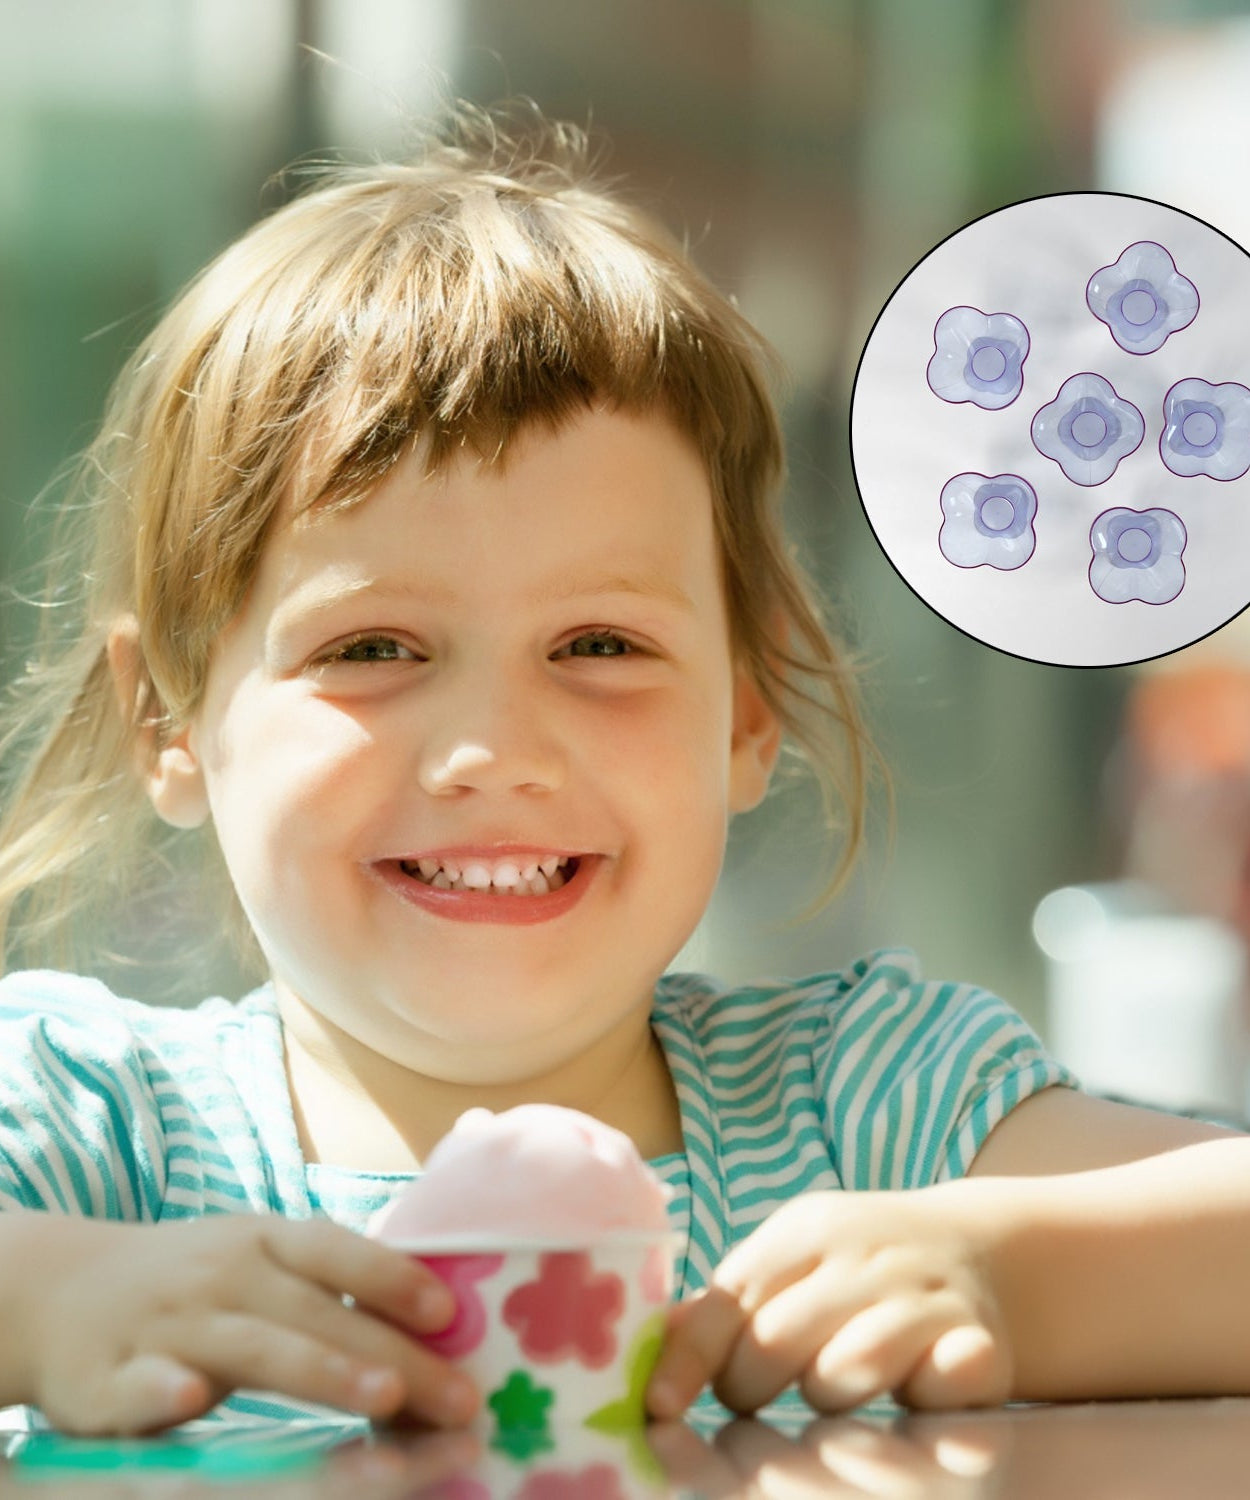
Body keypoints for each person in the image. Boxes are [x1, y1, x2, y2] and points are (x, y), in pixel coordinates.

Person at [0, 99, 1246, 1440]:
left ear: (746, 711)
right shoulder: (96, 1133)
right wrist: (58, 1300)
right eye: (371, 647)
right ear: (166, 721)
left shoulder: (869, 1106)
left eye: (597, 643)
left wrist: (1011, 1280)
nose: (496, 752)